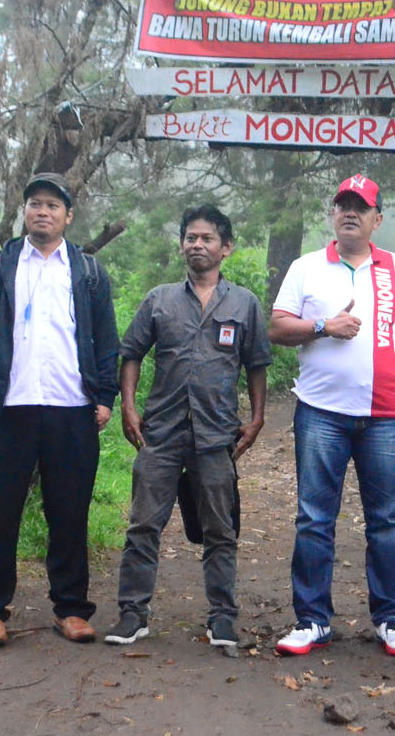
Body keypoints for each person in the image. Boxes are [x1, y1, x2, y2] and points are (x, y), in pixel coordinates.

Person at [268, 174, 395, 658]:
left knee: (387, 521)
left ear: (376, 220)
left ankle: (391, 619)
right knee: (314, 518)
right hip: (321, 413)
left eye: (360, 207)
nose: (350, 213)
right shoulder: (306, 267)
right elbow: (277, 328)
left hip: (387, 414)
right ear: (332, 214)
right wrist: (325, 326)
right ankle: (312, 620)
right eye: (343, 205)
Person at [0, 172, 119, 649]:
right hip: (8, 407)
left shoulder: (87, 272)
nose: (42, 212)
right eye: (34, 204)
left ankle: (71, 609)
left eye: (52, 205)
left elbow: (105, 338)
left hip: (72, 408)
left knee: (69, 513)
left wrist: (104, 397)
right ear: (24, 213)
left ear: (67, 217)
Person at [105, 205, 271, 650]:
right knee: (143, 525)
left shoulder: (244, 304)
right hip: (160, 432)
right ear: (182, 245)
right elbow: (132, 354)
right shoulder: (159, 300)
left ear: (226, 248)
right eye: (191, 238)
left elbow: (256, 364)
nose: (198, 245)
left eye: (207, 238)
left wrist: (257, 418)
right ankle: (132, 614)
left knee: (220, 530)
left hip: (217, 435)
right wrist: (128, 407)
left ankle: (222, 618)